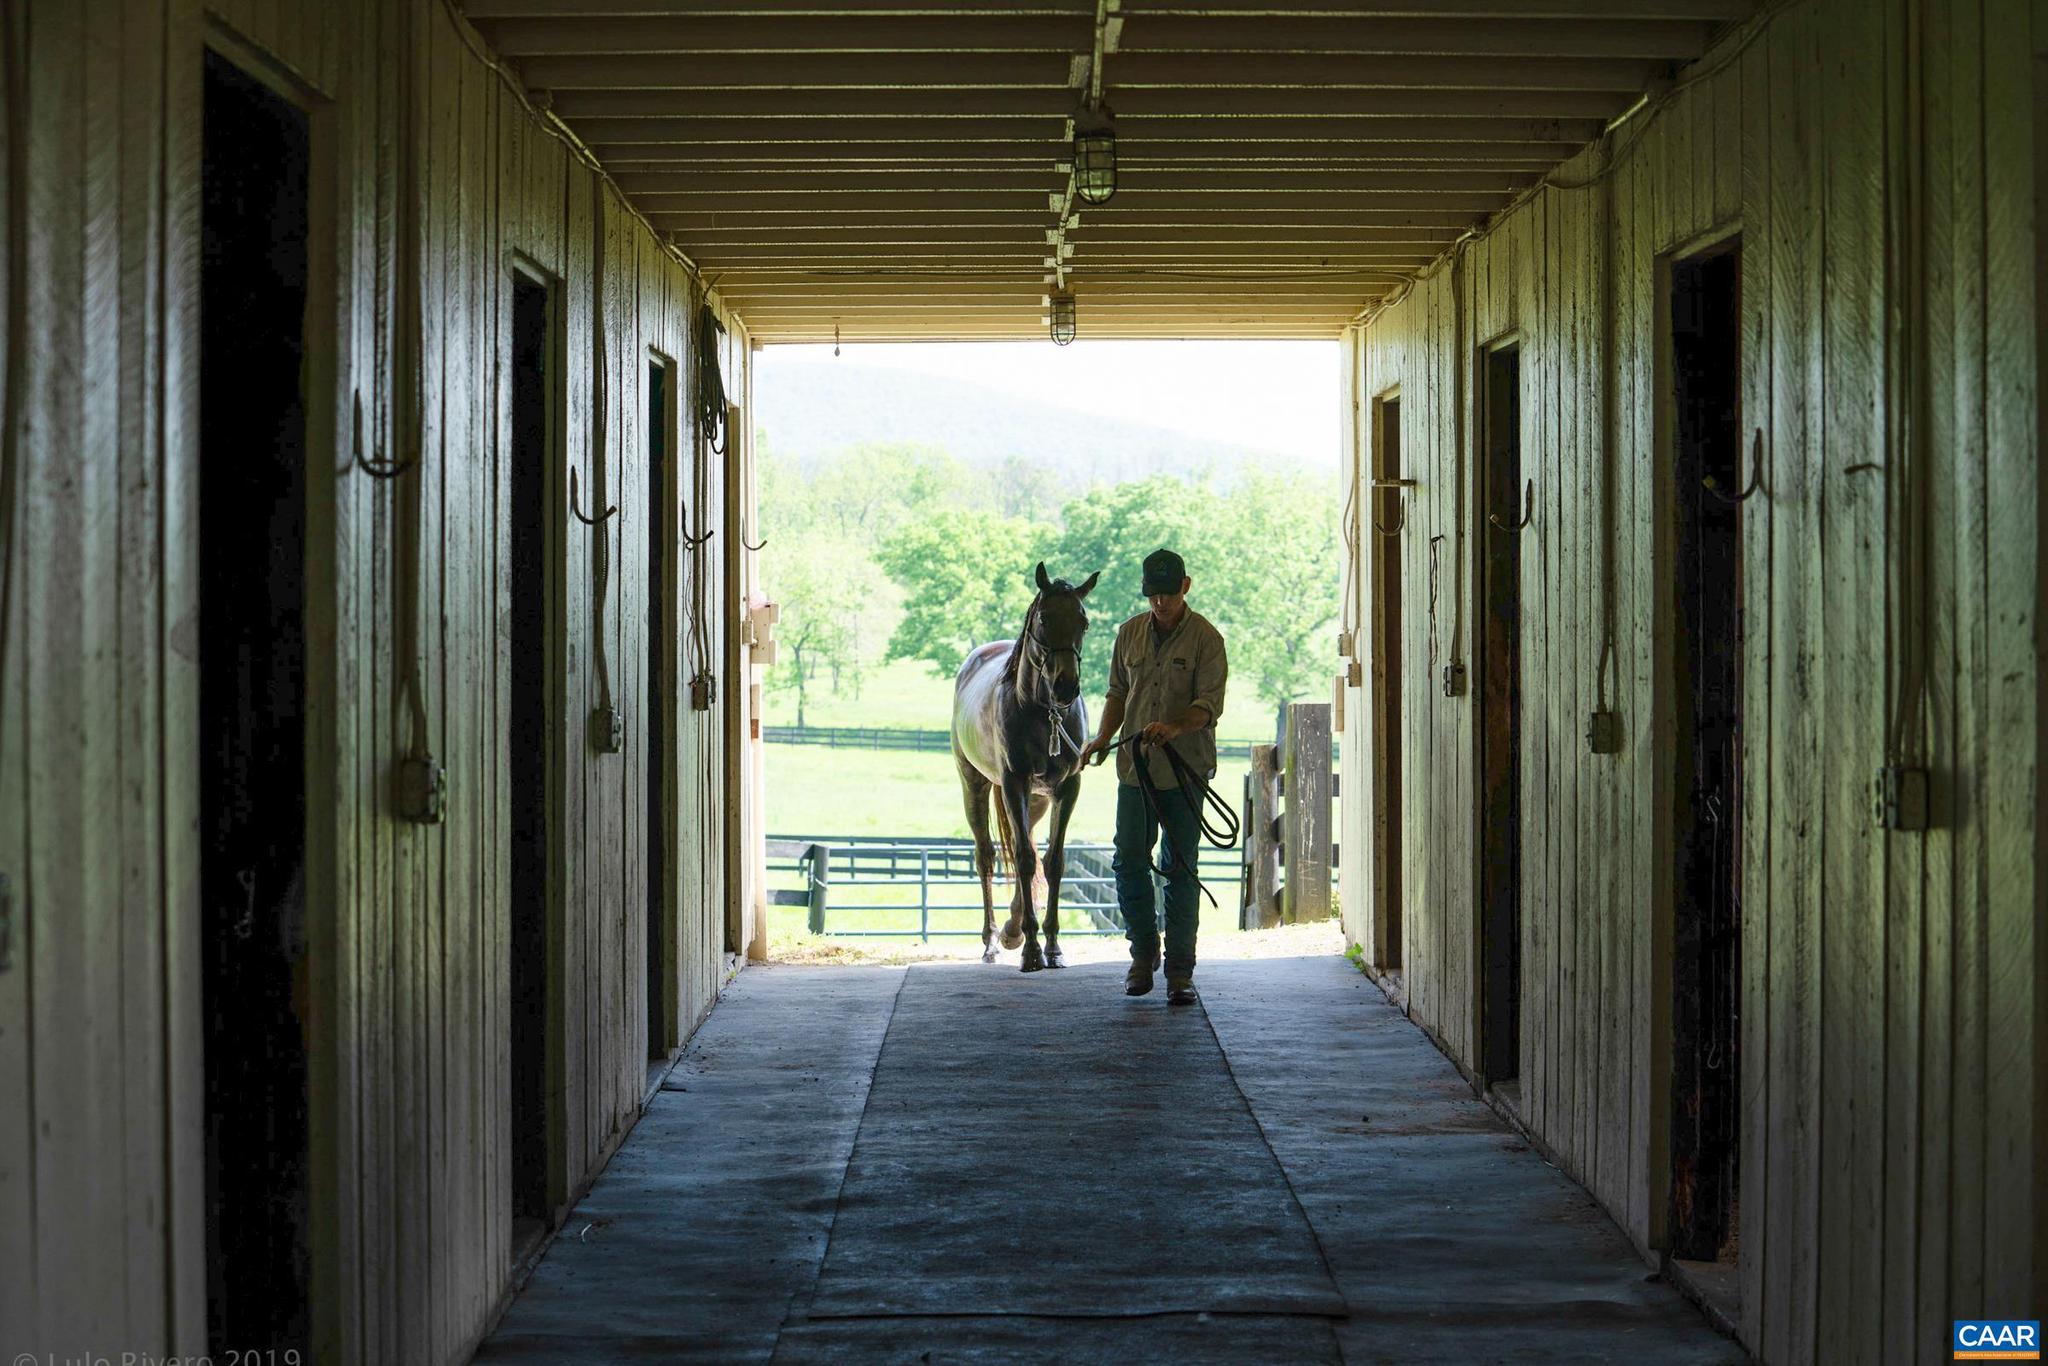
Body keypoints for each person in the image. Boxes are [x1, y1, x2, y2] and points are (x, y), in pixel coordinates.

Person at [1078, 548, 1228, 1005]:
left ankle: (1181, 972)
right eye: (1153, 594)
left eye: (1168, 593)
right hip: (1134, 771)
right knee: (1128, 861)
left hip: (1185, 772)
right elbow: (1118, 693)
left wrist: (1175, 727)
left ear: (1186, 586)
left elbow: (1209, 705)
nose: (1160, 602)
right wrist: (1103, 737)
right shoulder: (1128, 635)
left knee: (1181, 869)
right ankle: (1143, 956)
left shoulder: (1207, 639)